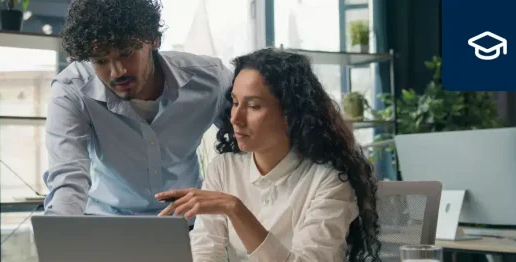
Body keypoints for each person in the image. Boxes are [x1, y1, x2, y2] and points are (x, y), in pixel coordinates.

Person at [155, 48, 382, 262]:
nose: (235, 118)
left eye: (253, 106)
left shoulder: (328, 182)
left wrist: (236, 210)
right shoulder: (224, 168)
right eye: (235, 103)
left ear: (290, 114)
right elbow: (205, 250)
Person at [43, 0, 232, 216]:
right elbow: (68, 177)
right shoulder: (72, 89)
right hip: (106, 223)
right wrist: (61, 239)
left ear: (153, 40)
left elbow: (249, 146)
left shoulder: (211, 79)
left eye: (126, 52)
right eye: (101, 60)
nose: (117, 72)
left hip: (187, 223)